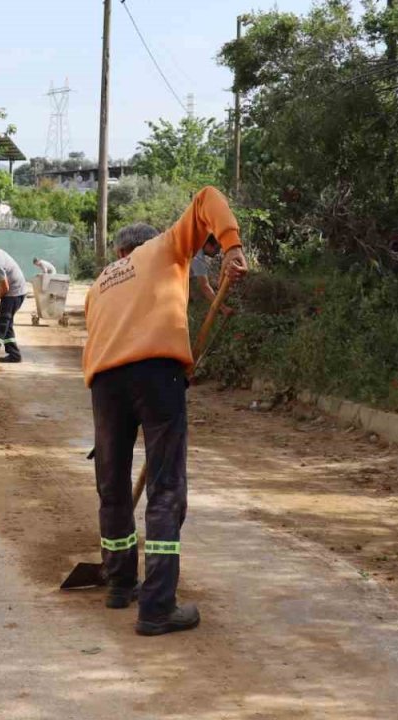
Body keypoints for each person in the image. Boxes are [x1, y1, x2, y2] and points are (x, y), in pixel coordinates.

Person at [82, 186, 248, 636]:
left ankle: (120, 584)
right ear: (148, 241)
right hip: (156, 375)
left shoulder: (99, 284)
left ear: (119, 251)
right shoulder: (164, 247)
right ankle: (156, 607)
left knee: (113, 488)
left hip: (105, 383)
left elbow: (100, 339)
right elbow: (207, 197)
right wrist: (232, 247)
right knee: (166, 488)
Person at [189, 236, 221, 303]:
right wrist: (223, 307)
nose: (218, 252)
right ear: (208, 245)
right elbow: (205, 287)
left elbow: (188, 275)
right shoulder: (198, 258)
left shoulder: (194, 244)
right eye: (217, 249)